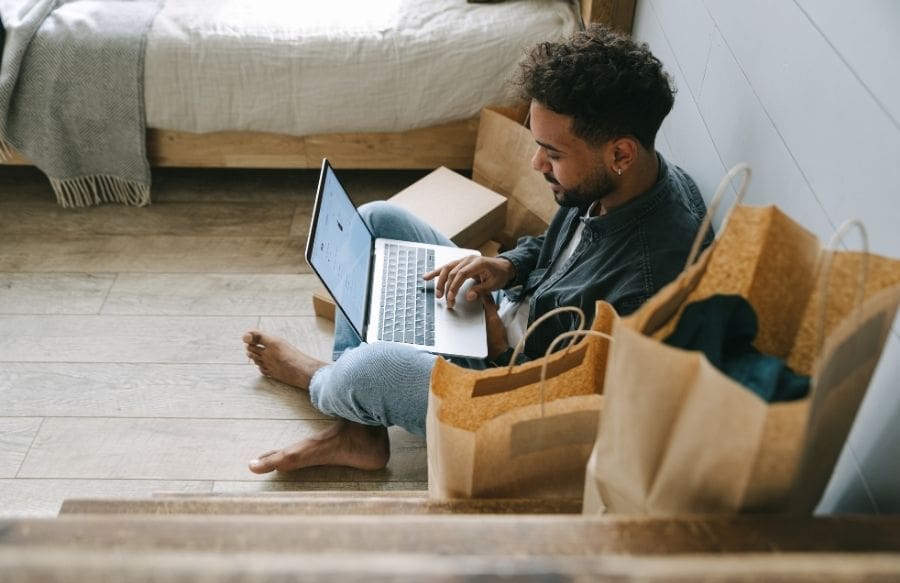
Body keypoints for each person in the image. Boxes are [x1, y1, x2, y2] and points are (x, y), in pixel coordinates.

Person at [243, 24, 711, 474]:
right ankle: (360, 426)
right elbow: (558, 246)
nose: (536, 162)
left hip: (509, 385)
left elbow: (561, 404)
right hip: (511, 313)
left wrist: (499, 347)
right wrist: (506, 266)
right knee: (376, 222)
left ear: (621, 153)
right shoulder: (626, 180)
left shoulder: (645, 288)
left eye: (553, 153)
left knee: (370, 371)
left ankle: (324, 383)